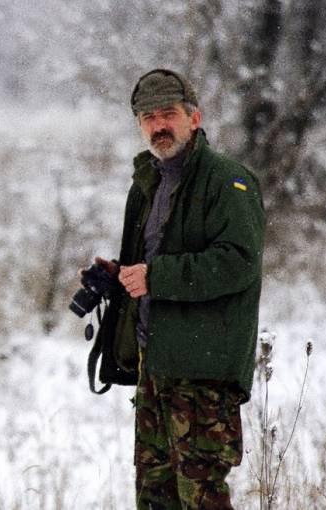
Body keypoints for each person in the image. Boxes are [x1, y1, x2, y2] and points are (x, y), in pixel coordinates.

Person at [93, 69, 266, 508]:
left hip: (204, 370)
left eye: (168, 114)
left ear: (194, 117)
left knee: (202, 497)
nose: (158, 126)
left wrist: (156, 277)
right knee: (155, 496)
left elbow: (239, 263)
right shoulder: (147, 182)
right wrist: (119, 276)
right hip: (156, 365)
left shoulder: (229, 181)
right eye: (148, 117)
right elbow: (150, 263)